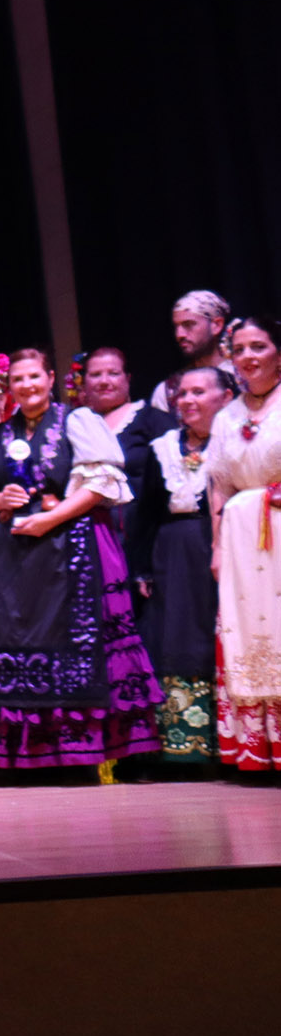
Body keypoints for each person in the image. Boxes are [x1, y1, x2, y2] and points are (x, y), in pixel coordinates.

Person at [0, 348, 159, 774]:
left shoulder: (77, 420)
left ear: (50, 378)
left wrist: (50, 517)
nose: (27, 386)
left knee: (80, 644)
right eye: (18, 380)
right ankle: (23, 757)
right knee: (14, 643)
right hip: (13, 555)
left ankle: (79, 755)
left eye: (34, 376)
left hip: (74, 545)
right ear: (8, 386)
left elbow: (103, 484)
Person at [124, 367, 233, 776]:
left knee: (216, 633)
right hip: (172, 556)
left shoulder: (234, 442)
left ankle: (231, 746)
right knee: (173, 638)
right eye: (181, 393)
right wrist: (142, 570)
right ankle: (182, 748)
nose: (186, 400)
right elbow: (146, 514)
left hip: (222, 546)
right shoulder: (162, 449)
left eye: (198, 392)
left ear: (224, 397)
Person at [207, 316, 281, 770]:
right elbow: (219, 485)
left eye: (259, 346)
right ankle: (258, 745)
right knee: (248, 632)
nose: (248, 357)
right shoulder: (228, 417)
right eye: (239, 349)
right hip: (239, 539)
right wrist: (216, 546)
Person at [150, 289, 234, 412]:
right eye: (176, 326)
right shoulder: (168, 391)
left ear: (216, 325)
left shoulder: (242, 378)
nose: (179, 335)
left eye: (188, 324)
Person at [81, 348, 143, 439]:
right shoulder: (76, 424)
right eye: (96, 375)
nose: (104, 381)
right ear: (84, 382)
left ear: (127, 379)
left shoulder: (153, 420)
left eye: (113, 374)